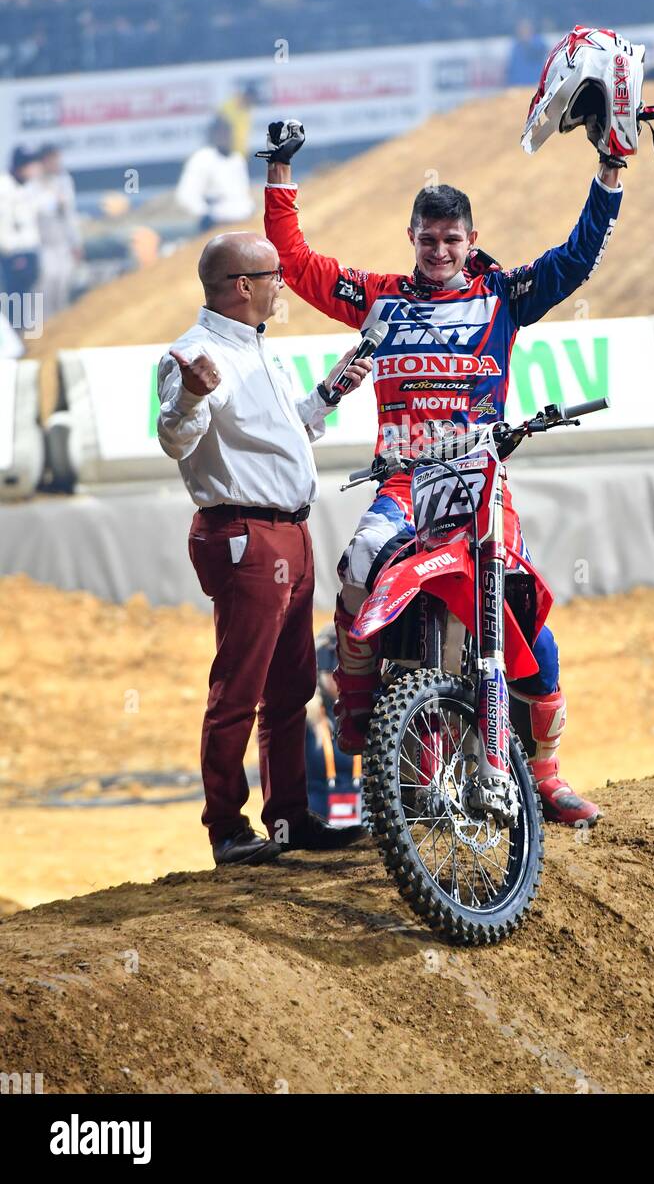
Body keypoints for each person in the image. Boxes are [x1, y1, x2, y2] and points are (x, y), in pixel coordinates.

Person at [260, 118, 625, 827]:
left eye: (452, 239)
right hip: (401, 483)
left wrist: (611, 172)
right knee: (357, 563)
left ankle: (545, 775)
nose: (440, 251)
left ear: (471, 236)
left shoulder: (504, 294)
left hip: (481, 485)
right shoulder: (381, 298)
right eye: (428, 240)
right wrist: (280, 175)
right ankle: (360, 711)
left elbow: (577, 258)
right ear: (412, 239)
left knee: (529, 617)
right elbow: (296, 262)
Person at [156, 228, 373, 865]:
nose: (284, 285)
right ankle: (226, 828)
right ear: (243, 286)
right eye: (275, 275)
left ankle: (288, 818)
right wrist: (192, 392)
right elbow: (174, 437)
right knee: (239, 688)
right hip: (246, 536)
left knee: (291, 686)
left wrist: (326, 396)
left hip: (286, 532)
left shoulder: (254, 347)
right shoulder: (194, 355)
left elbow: (274, 437)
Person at [305, 626, 363, 826]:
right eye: (331, 672)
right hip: (318, 824)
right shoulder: (306, 718)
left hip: (367, 827)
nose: (338, 679)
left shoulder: (372, 712)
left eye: (345, 671)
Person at [175, 117, 255, 231]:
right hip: (217, 223)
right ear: (212, 135)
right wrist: (205, 214)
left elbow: (243, 193)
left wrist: (250, 209)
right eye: (220, 133)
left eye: (227, 133)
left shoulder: (237, 159)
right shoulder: (202, 158)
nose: (225, 137)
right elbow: (186, 195)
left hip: (242, 222)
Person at [33, 144, 83, 317]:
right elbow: (38, 208)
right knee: (46, 288)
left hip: (63, 244)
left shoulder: (64, 180)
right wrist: (54, 201)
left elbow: (70, 215)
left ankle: (60, 327)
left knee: (63, 287)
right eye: (52, 160)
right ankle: (42, 330)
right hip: (43, 245)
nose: (56, 164)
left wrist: (76, 243)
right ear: (44, 161)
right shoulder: (34, 182)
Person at [0, 147, 42, 305]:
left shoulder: (30, 186)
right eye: (31, 165)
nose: (34, 169)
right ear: (20, 167)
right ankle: (16, 330)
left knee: (28, 302)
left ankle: (25, 329)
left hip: (30, 250)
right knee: (14, 302)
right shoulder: (3, 187)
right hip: (13, 256)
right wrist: (14, 254)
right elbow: (4, 226)